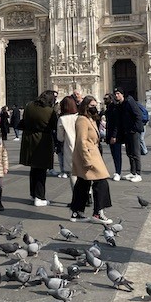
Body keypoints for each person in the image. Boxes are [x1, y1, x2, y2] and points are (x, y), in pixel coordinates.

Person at [71, 96, 112, 224]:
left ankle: (77, 211)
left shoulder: (91, 119)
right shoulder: (82, 120)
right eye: (92, 106)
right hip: (88, 155)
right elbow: (81, 141)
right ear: (85, 106)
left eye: (96, 105)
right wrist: (86, 160)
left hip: (93, 153)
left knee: (83, 183)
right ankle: (98, 213)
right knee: (101, 181)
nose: (95, 108)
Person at [19, 90, 58, 207]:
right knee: (41, 170)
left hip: (29, 139)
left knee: (34, 169)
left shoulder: (29, 106)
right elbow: (54, 126)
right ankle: (39, 197)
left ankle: (33, 194)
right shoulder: (50, 111)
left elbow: (24, 120)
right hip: (42, 141)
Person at [112, 87, 144, 182]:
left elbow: (138, 115)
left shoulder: (129, 101)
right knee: (129, 152)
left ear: (122, 94)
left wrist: (135, 129)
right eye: (115, 94)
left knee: (135, 152)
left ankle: (138, 174)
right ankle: (133, 172)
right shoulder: (121, 104)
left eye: (118, 93)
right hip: (127, 131)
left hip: (133, 131)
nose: (116, 95)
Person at [56, 96, 79, 197]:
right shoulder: (80, 116)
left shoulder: (62, 119)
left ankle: (76, 198)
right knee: (84, 173)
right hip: (82, 147)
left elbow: (60, 137)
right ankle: (88, 194)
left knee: (73, 173)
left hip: (70, 148)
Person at [103, 93, 123, 178]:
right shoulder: (109, 107)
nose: (104, 100)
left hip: (115, 135)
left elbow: (116, 123)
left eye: (106, 99)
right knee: (114, 154)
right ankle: (117, 171)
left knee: (117, 154)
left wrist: (114, 136)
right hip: (110, 133)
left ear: (111, 99)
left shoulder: (114, 108)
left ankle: (118, 172)